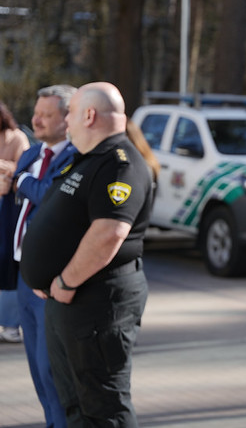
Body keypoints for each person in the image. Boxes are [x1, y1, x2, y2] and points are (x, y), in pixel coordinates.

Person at [19, 82, 154, 427]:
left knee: (102, 404)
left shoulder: (119, 163)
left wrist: (64, 280)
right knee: (74, 403)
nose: (68, 124)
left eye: (71, 115)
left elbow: (109, 232)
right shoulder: (87, 160)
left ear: (90, 115)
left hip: (96, 302)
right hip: (68, 301)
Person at [0, 85, 76, 428]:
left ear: (69, 118)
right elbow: (17, 188)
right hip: (23, 273)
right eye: (36, 112)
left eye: (46, 115)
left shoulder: (76, 155)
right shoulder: (32, 154)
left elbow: (52, 196)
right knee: (36, 372)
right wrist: (11, 183)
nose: (36, 120)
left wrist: (20, 180)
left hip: (51, 280)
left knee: (53, 372)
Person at [0, 100, 29, 343]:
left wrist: (3, 166)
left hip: (8, 204)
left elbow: (24, 168)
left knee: (7, 260)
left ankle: (10, 324)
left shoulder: (17, 138)